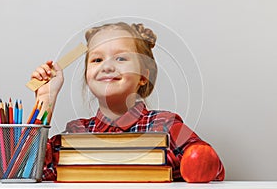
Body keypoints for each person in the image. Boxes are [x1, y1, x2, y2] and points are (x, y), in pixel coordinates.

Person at [30, 22, 225, 182]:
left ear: (143, 76)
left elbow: (211, 165)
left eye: (121, 58)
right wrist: (46, 99)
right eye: (97, 60)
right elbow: (27, 169)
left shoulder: (166, 125)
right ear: (87, 76)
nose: (107, 66)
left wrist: (179, 162)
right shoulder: (76, 132)